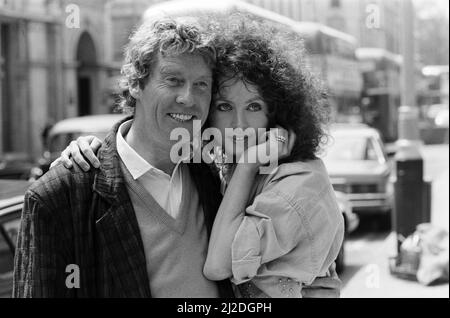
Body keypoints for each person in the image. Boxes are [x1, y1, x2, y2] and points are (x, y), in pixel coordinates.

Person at [50, 16, 343, 298]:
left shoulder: (268, 179)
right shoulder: (213, 167)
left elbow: (220, 266)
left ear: (277, 112)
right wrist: (88, 151)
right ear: (137, 85)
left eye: (254, 106)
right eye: (225, 106)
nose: (238, 124)